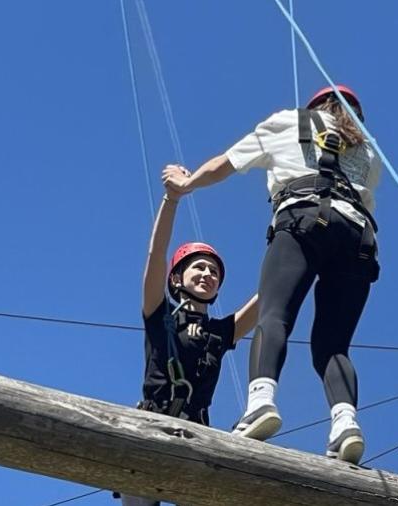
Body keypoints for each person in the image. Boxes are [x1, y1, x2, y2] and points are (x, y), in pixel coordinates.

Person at [161, 85, 382, 464]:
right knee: (333, 345)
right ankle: (346, 423)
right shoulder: (369, 152)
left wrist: (186, 184)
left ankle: (261, 403)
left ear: (314, 105)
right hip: (359, 239)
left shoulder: (287, 121)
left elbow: (226, 163)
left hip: (304, 219)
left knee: (275, 314)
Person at [119, 170, 258, 506]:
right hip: (150, 426)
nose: (208, 275)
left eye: (214, 272)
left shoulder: (219, 333)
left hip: (195, 435)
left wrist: (306, 253)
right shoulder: (160, 314)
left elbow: (270, 298)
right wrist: (173, 199)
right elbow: (156, 255)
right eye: (199, 268)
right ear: (178, 278)